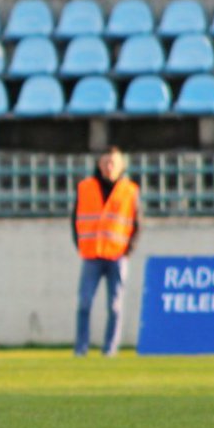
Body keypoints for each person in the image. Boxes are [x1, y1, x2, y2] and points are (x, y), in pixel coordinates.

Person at [73, 146, 140, 357]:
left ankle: (109, 350)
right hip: (91, 255)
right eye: (105, 162)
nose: (109, 167)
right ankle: (81, 349)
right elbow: (75, 220)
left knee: (115, 307)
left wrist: (128, 250)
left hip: (116, 256)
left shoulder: (130, 190)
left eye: (113, 163)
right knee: (84, 303)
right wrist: (81, 245)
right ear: (99, 165)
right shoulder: (85, 187)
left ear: (121, 166)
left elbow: (136, 223)